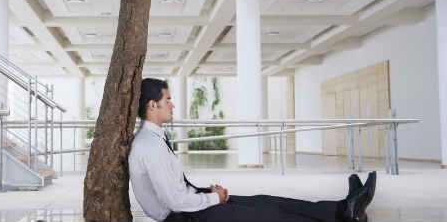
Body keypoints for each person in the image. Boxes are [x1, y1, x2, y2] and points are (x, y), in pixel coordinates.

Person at [129, 78, 376, 222]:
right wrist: (215, 198)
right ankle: (346, 217)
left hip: (189, 208)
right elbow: (173, 201)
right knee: (266, 214)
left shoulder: (155, 138)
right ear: (152, 105)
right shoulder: (148, 145)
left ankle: (343, 209)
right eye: (168, 99)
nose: (172, 104)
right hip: (182, 218)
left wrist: (209, 192)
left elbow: (177, 190)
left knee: (266, 200)